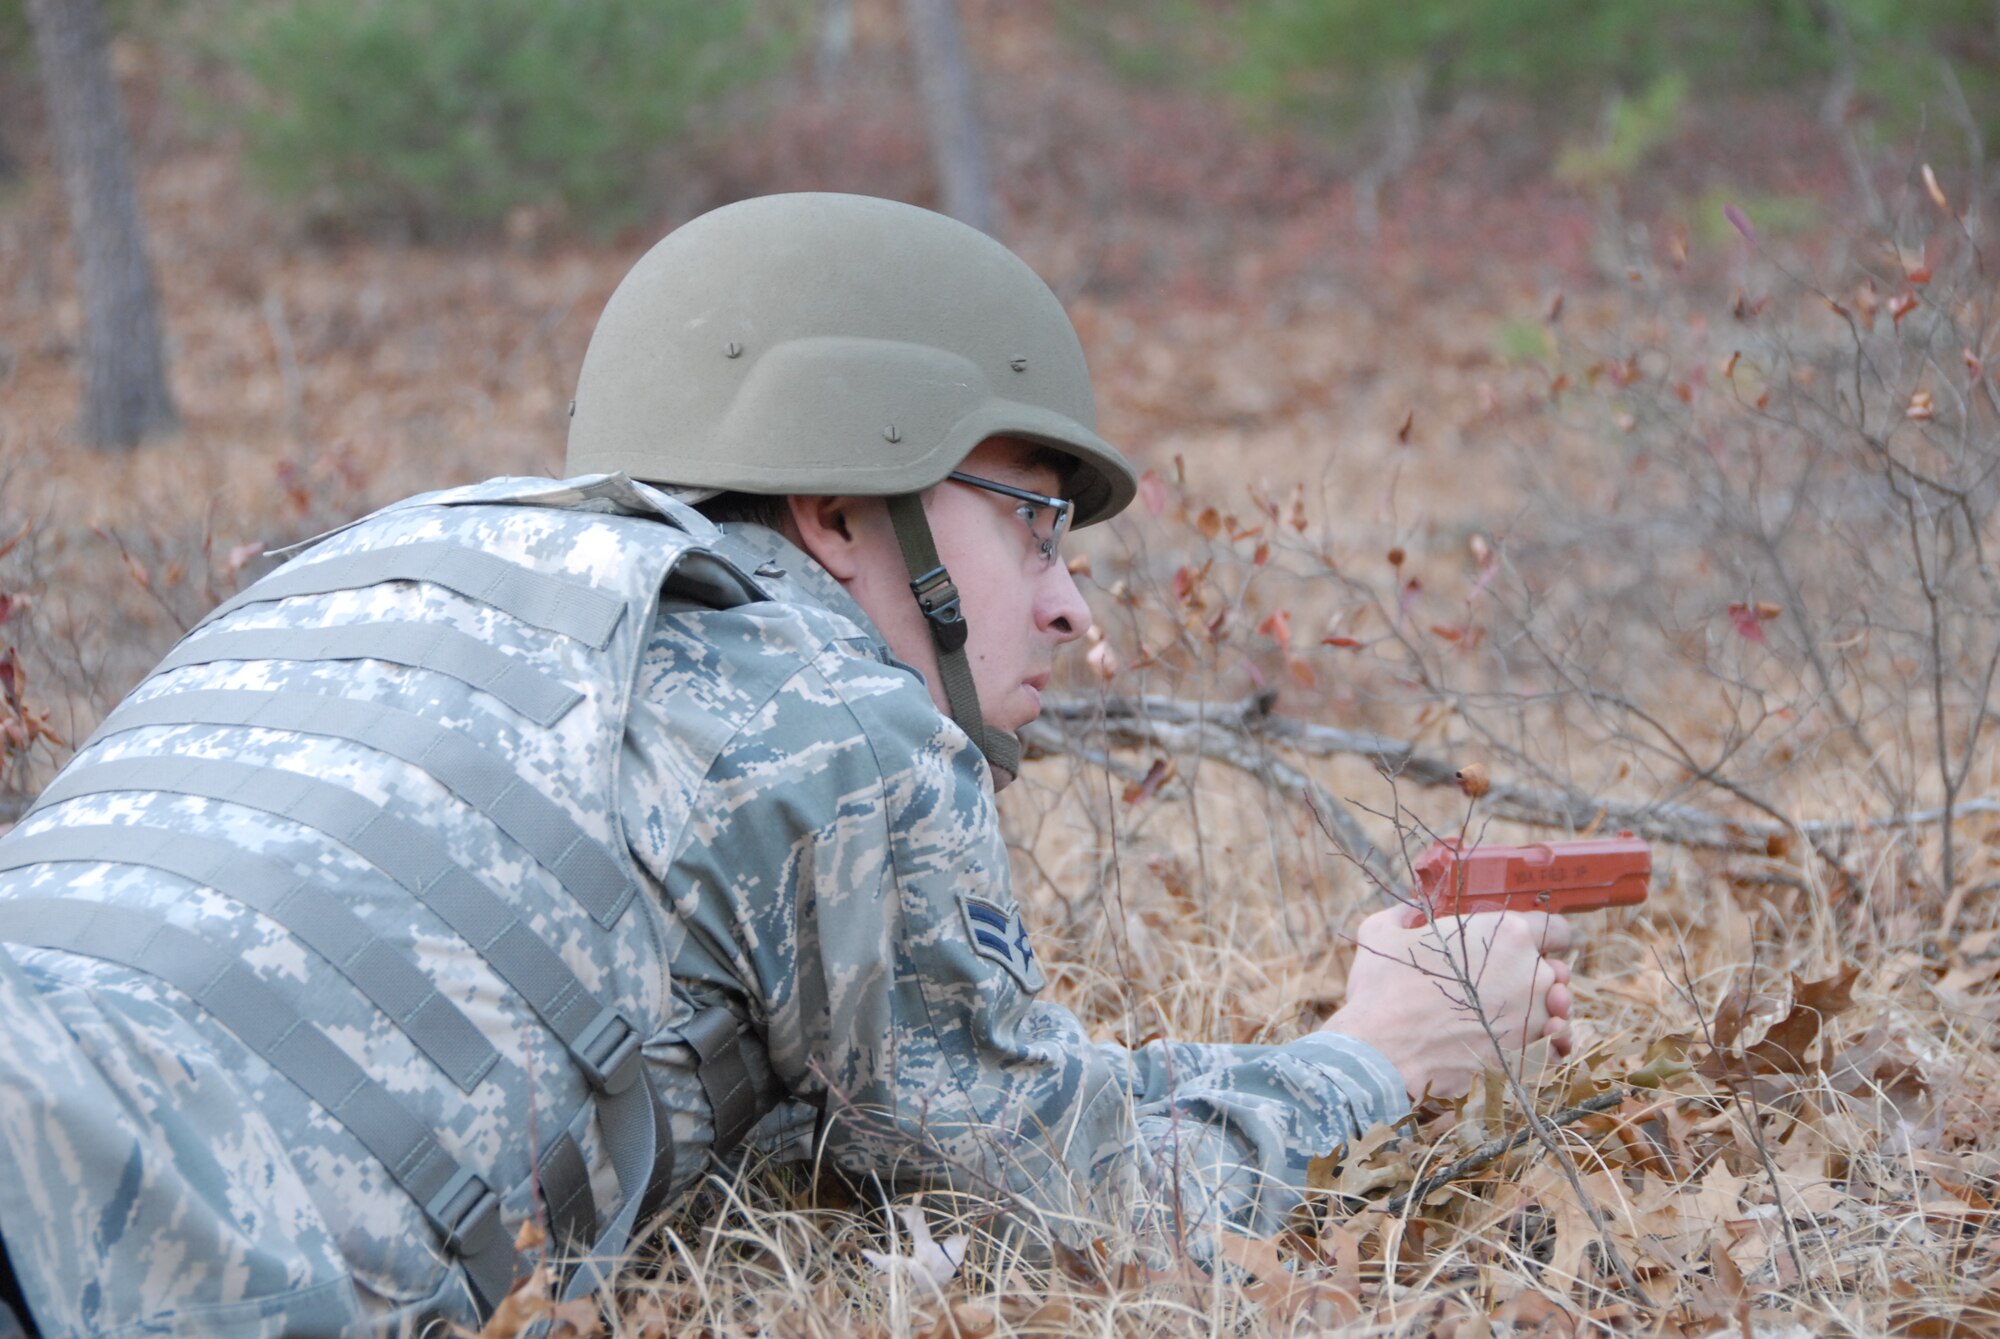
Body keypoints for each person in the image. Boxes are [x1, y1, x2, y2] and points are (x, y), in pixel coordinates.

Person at [0, 193, 1574, 1337]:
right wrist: (1381, 1057)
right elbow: (1097, 1195)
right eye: (1033, 517)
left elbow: (881, 1118)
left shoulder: (369, 572)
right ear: (838, 508)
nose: (1072, 596)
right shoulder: (820, 714)